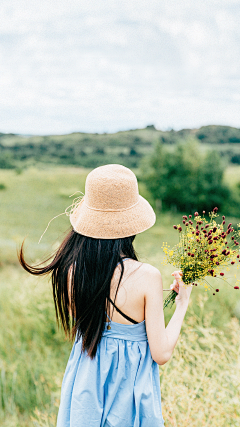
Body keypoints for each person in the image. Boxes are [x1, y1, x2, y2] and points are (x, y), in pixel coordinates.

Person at [19, 164, 192, 427]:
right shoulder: (147, 276)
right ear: (131, 224)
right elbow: (161, 353)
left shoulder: (71, 270)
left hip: (84, 390)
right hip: (127, 393)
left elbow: (94, 322)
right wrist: (182, 304)